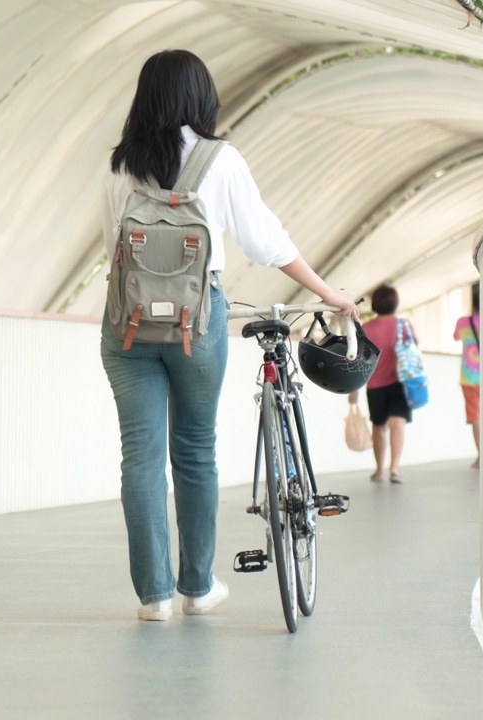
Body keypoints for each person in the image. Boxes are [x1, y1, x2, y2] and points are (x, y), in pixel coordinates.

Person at [100, 49, 358, 622]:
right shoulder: (221, 160)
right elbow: (268, 243)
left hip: (129, 325)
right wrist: (330, 292)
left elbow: (110, 250)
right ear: (200, 97)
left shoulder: (119, 166)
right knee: (194, 451)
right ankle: (196, 586)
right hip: (198, 325)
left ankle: (153, 599)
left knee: (139, 459)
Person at [348, 285, 412, 484]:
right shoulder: (403, 325)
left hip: (374, 385)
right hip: (401, 382)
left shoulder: (367, 328)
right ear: (395, 303)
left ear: (375, 303)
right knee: (398, 425)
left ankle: (380, 470)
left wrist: (353, 389)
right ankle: (394, 469)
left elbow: (358, 360)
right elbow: (413, 352)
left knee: (379, 427)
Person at [453, 284, 481, 468]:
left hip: (469, 378)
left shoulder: (463, 323)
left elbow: (455, 337)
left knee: (476, 417)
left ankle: (481, 455)